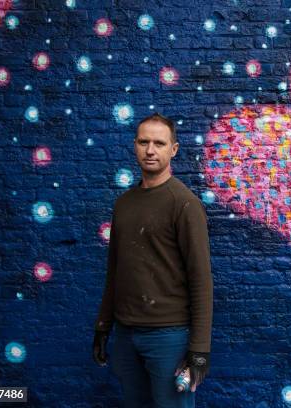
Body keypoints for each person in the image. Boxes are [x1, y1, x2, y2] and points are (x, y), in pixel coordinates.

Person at [92, 113, 213, 408]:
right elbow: (115, 271)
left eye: (159, 143)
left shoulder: (184, 204)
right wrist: (103, 325)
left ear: (173, 149)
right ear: (134, 145)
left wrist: (199, 350)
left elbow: (201, 280)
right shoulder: (124, 204)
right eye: (144, 142)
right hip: (126, 335)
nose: (150, 150)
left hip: (169, 338)